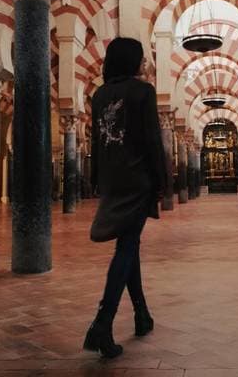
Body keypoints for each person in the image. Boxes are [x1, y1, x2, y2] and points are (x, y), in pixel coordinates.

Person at [83, 37, 166, 358]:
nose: (145, 64)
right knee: (127, 247)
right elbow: (151, 141)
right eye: (142, 59)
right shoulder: (143, 91)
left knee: (129, 246)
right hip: (137, 182)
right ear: (132, 60)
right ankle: (101, 324)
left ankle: (142, 315)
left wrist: (95, 179)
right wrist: (161, 182)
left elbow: (96, 141)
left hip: (112, 180)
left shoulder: (100, 94)